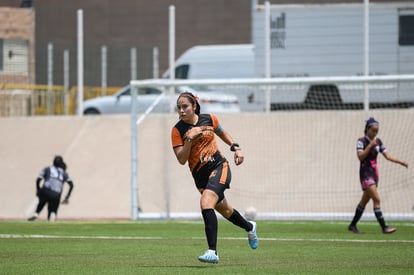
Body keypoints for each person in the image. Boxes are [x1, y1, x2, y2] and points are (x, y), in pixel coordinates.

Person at [171, 92, 258, 264]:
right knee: (226, 211)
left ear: (194, 106)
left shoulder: (209, 119)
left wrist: (236, 148)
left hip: (219, 167)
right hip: (200, 177)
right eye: (179, 107)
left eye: (185, 106)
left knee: (205, 203)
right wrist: (189, 139)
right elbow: (181, 160)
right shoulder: (177, 130)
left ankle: (213, 251)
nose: (181, 110)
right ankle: (250, 227)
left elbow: (222, 133)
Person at [348, 117, 408, 234]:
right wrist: (370, 146)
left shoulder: (378, 141)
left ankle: (352, 225)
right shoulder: (361, 141)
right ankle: (384, 227)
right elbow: (360, 157)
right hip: (365, 174)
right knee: (377, 199)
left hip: (374, 175)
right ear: (367, 129)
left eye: (377, 131)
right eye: (373, 130)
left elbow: (387, 155)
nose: (375, 133)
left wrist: (401, 162)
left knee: (364, 201)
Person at [28, 155, 74, 221]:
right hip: (56, 194)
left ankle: (36, 213)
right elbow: (71, 185)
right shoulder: (64, 173)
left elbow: (38, 179)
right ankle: (53, 214)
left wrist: (38, 190)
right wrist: (67, 197)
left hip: (46, 190)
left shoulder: (47, 169)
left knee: (42, 201)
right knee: (53, 207)